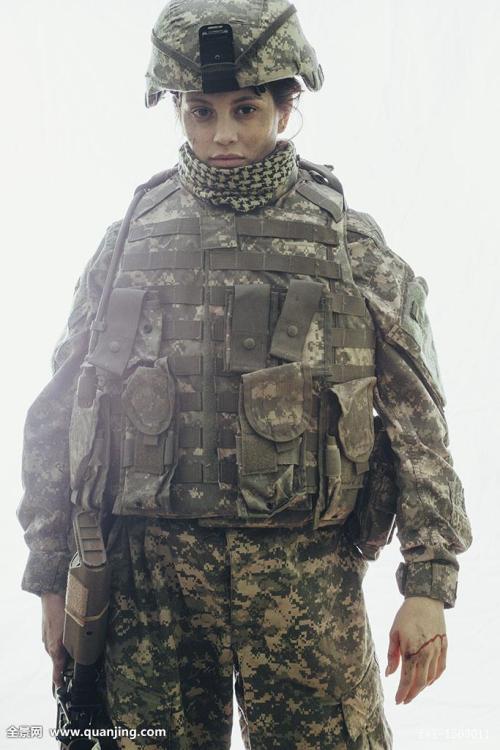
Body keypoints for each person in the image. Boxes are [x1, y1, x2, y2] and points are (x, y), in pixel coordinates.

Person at [18, 1, 472, 748]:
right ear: (177, 109)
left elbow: (418, 421)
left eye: (246, 109)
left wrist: (429, 583)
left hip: (304, 580)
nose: (223, 134)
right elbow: (59, 411)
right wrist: (50, 576)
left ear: (285, 108)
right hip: (151, 589)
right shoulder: (127, 244)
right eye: (201, 111)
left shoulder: (347, 244)